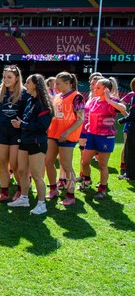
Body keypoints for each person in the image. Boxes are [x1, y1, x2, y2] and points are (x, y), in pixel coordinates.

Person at [8, 74, 54, 214]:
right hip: (25, 140)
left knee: (36, 175)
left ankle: (41, 204)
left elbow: (42, 126)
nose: (25, 85)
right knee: (22, 171)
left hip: (36, 142)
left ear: (35, 84)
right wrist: (21, 124)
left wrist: (22, 124)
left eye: (27, 83)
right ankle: (24, 198)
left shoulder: (43, 103)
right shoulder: (30, 100)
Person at [0, 65, 29, 203]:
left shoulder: (25, 94)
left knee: (15, 165)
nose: (6, 80)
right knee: (3, 163)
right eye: (4, 77)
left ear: (17, 78)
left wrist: (23, 124)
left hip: (17, 134)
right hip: (2, 133)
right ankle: (4, 193)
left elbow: (29, 114)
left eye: (9, 77)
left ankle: (21, 190)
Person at [79, 78, 126, 199]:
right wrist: (91, 124)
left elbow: (123, 109)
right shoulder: (94, 100)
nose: (95, 89)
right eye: (95, 87)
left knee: (102, 165)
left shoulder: (113, 101)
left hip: (106, 137)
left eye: (98, 87)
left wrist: (109, 99)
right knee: (85, 162)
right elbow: (92, 115)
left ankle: (102, 189)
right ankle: (87, 180)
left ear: (106, 89)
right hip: (92, 135)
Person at [44, 72, 84, 205]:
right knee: (48, 162)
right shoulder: (58, 97)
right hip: (53, 135)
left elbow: (80, 119)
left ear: (68, 83)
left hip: (67, 137)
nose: (55, 86)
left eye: (58, 83)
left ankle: (70, 195)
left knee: (66, 165)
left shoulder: (77, 97)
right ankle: (53, 189)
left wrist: (66, 133)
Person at [118, 78, 135, 180]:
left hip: (132, 126)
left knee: (130, 150)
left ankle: (130, 174)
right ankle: (124, 167)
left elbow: (133, 114)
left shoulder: (133, 96)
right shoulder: (131, 95)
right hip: (131, 124)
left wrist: (124, 119)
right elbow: (121, 105)